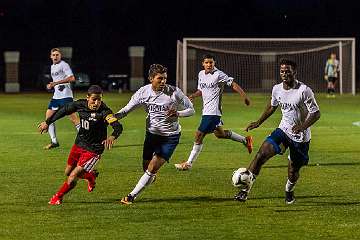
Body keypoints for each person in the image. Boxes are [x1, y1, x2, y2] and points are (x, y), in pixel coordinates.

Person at [234, 59, 320, 204]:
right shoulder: (277, 89)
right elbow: (272, 107)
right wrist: (258, 122)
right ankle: (244, 191)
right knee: (261, 155)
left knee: (293, 171)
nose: (284, 74)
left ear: (294, 72)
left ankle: (289, 191)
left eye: (288, 71)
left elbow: (316, 113)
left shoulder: (304, 91)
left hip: (300, 138)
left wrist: (302, 126)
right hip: (283, 130)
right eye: (282, 71)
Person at [115, 64, 195, 205]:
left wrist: (178, 113)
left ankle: (131, 196)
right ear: (151, 78)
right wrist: (112, 117)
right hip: (151, 135)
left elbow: (191, 110)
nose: (163, 81)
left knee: (151, 168)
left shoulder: (174, 92)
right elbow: (127, 109)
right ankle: (150, 176)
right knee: (146, 167)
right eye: (159, 79)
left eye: (164, 78)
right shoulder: (143, 92)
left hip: (170, 137)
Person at [38, 85, 123, 205]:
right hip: (79, 144)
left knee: (73, 176)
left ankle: (57, 197)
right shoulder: (80, 104)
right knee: (67, 172)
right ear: (87, 97)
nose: (97, 102)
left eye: (99, 99)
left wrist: (112, 136)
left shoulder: (105, 112)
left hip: (93, 150)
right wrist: (48, 122)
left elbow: (118, 127)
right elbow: (64, 110)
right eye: (94, 99)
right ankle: (90, 176)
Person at [174, 54, 253, 171]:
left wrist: (244, 97)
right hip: (206, 111)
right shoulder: (201, 74)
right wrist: (193, 96)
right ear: (203, 64)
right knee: (220, 134)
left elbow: (234, 84)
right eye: (207, 62)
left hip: (213, 112)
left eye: (211, 62)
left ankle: (188, 164)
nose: (209, 65)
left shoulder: (219, 74)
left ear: (214, 63)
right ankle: (245, 140)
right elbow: (201, 90)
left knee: (199, 135)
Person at [43, 48, 80, 150]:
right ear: (50, 56)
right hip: (56, 97)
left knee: (74, 119)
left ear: (60, 56)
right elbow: (56, 81)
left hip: (66, 96)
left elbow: (72, 78)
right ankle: (54, 141)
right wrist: (51, 85)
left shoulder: (64, 65)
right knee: (48, 119)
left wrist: (56, 83)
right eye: (53, 55)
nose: (55, 56)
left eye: (57, 55)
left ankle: (86, 140)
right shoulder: (52, 67)